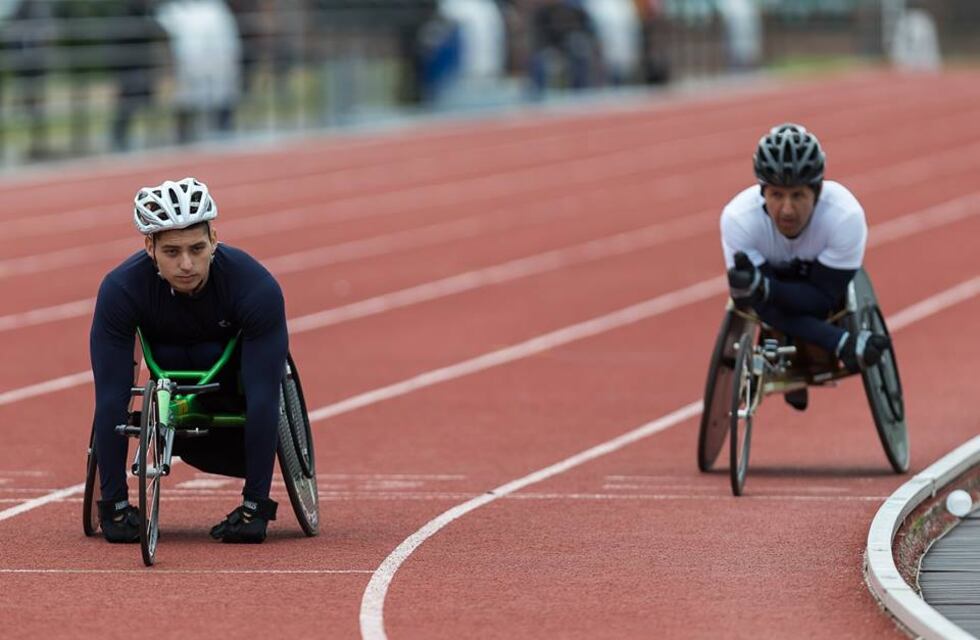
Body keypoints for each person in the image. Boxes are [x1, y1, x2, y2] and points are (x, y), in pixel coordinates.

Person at [90, 177, 287, 543]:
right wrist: (113, 505)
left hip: (232, 396)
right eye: (172, 252)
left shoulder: (255, 286)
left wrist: (256, 506)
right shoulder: (120, 290)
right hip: (169, 392)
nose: (186, 264)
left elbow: (265, 398)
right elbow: (111, 396)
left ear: (214, 239)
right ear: (149, 247)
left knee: (261, 391)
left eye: (197, 248)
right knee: (111, 396)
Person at [720, 123, 891, 411]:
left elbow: (819, 301)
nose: (787, 209)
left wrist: (765, 288)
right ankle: (812, 350)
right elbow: (760, 306)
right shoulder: (739, 219)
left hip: (819, 288)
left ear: (817, 191)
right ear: (762, 193)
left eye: (798, 195)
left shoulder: (844, 217)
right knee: (750, 298)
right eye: (776, 195)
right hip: (777, 293)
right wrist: (842, 343)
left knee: (772, 296)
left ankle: (809, 353)